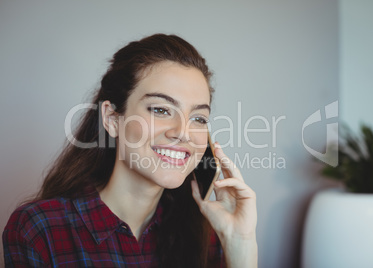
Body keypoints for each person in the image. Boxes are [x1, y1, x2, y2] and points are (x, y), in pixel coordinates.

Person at [3, 34, 257, 267]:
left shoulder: (208, 237)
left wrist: (240, 243)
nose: (183, 132)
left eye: (199, 118)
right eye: (160, 110)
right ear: (112, 119)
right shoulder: (39, 229)